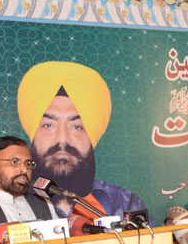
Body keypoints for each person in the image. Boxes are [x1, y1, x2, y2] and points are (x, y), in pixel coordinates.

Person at [17, 61, 148, 229]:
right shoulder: (16, 205)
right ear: (33, 134)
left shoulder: (126, 204)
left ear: (92, 136)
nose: (62, 139)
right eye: (48, 125)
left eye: (77, 127)